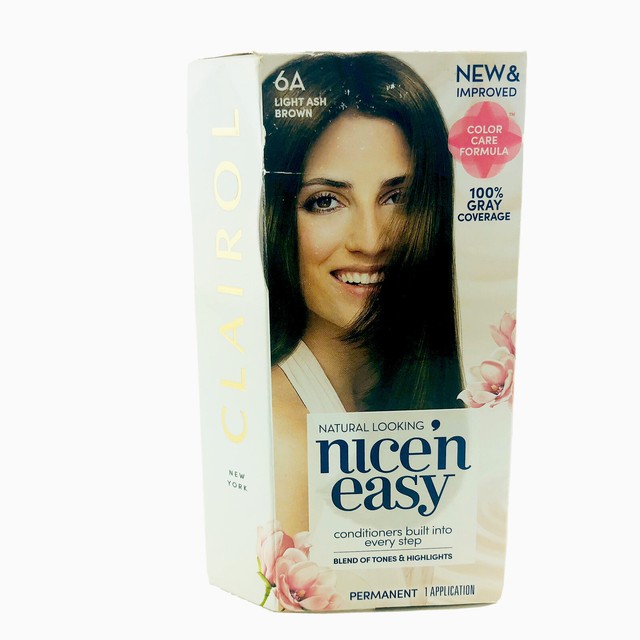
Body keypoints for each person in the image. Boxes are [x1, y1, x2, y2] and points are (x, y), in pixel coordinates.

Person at [262, 53, 463, 537]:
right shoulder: (285, 438)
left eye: (398, 197)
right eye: (325, 201)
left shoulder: (422, 387)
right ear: (273, 217)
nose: (371, 241)